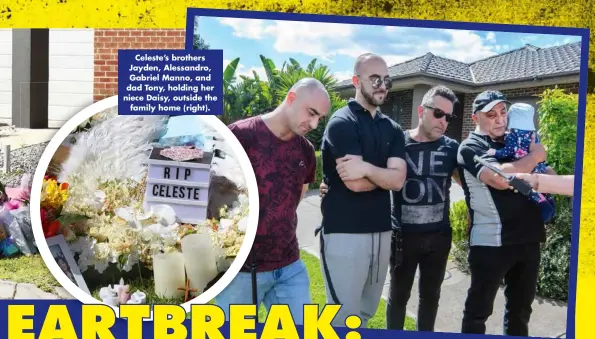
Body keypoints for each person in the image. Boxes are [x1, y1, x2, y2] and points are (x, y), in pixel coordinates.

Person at [320, 85, 462, 331]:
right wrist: (331, 185)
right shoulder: (398, 141)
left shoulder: (451, 148)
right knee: (398, 298)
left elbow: (469, 182)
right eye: (438, 113)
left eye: (449, 117)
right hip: (402, 237)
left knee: (431, 297)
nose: (443, 122)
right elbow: (365, 172)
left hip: (439, 237)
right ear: (421, 111)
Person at [215, 77, 331, 325]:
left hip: (289, 266)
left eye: (319, 118)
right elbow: (212, 201)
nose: (314, 123)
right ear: (291, 98)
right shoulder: (239, 136)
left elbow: (295, 199)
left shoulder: (306, 151)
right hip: (240, 271)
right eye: (311, 113)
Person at [317, 53, 407, 328]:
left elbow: (398, 181)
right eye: (375, 79)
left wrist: (366, 169)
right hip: (344, 233)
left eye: (386, 80)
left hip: (381, 232)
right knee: (342, 319)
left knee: (366, 314)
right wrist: (384, 176)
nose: (382, 85)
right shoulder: (342, 122)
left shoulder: (392, 129)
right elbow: (354, 184)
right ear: (356, 81)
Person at [457, 90, 548, 336]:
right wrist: (535, 155)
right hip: (491, 243)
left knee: (520, 311)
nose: (500, 120)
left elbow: (546, 176)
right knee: (478, 313)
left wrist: (540, 162)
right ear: (476, 119)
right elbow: (500, 178)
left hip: (528, 240)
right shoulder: (470, 146)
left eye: (503, 112)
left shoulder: (516, 140)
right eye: (491, 115)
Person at [486, 102, 556, 222]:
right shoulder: (534, 135)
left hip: (527, 176)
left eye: (504, 114)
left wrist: (495, 152)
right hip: (539, 170)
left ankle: (545, 208)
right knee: (542, 190)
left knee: (531, 190)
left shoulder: (512, 136)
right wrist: (537, 156)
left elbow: (508, 151)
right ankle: (549, 205)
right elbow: (541, 156)